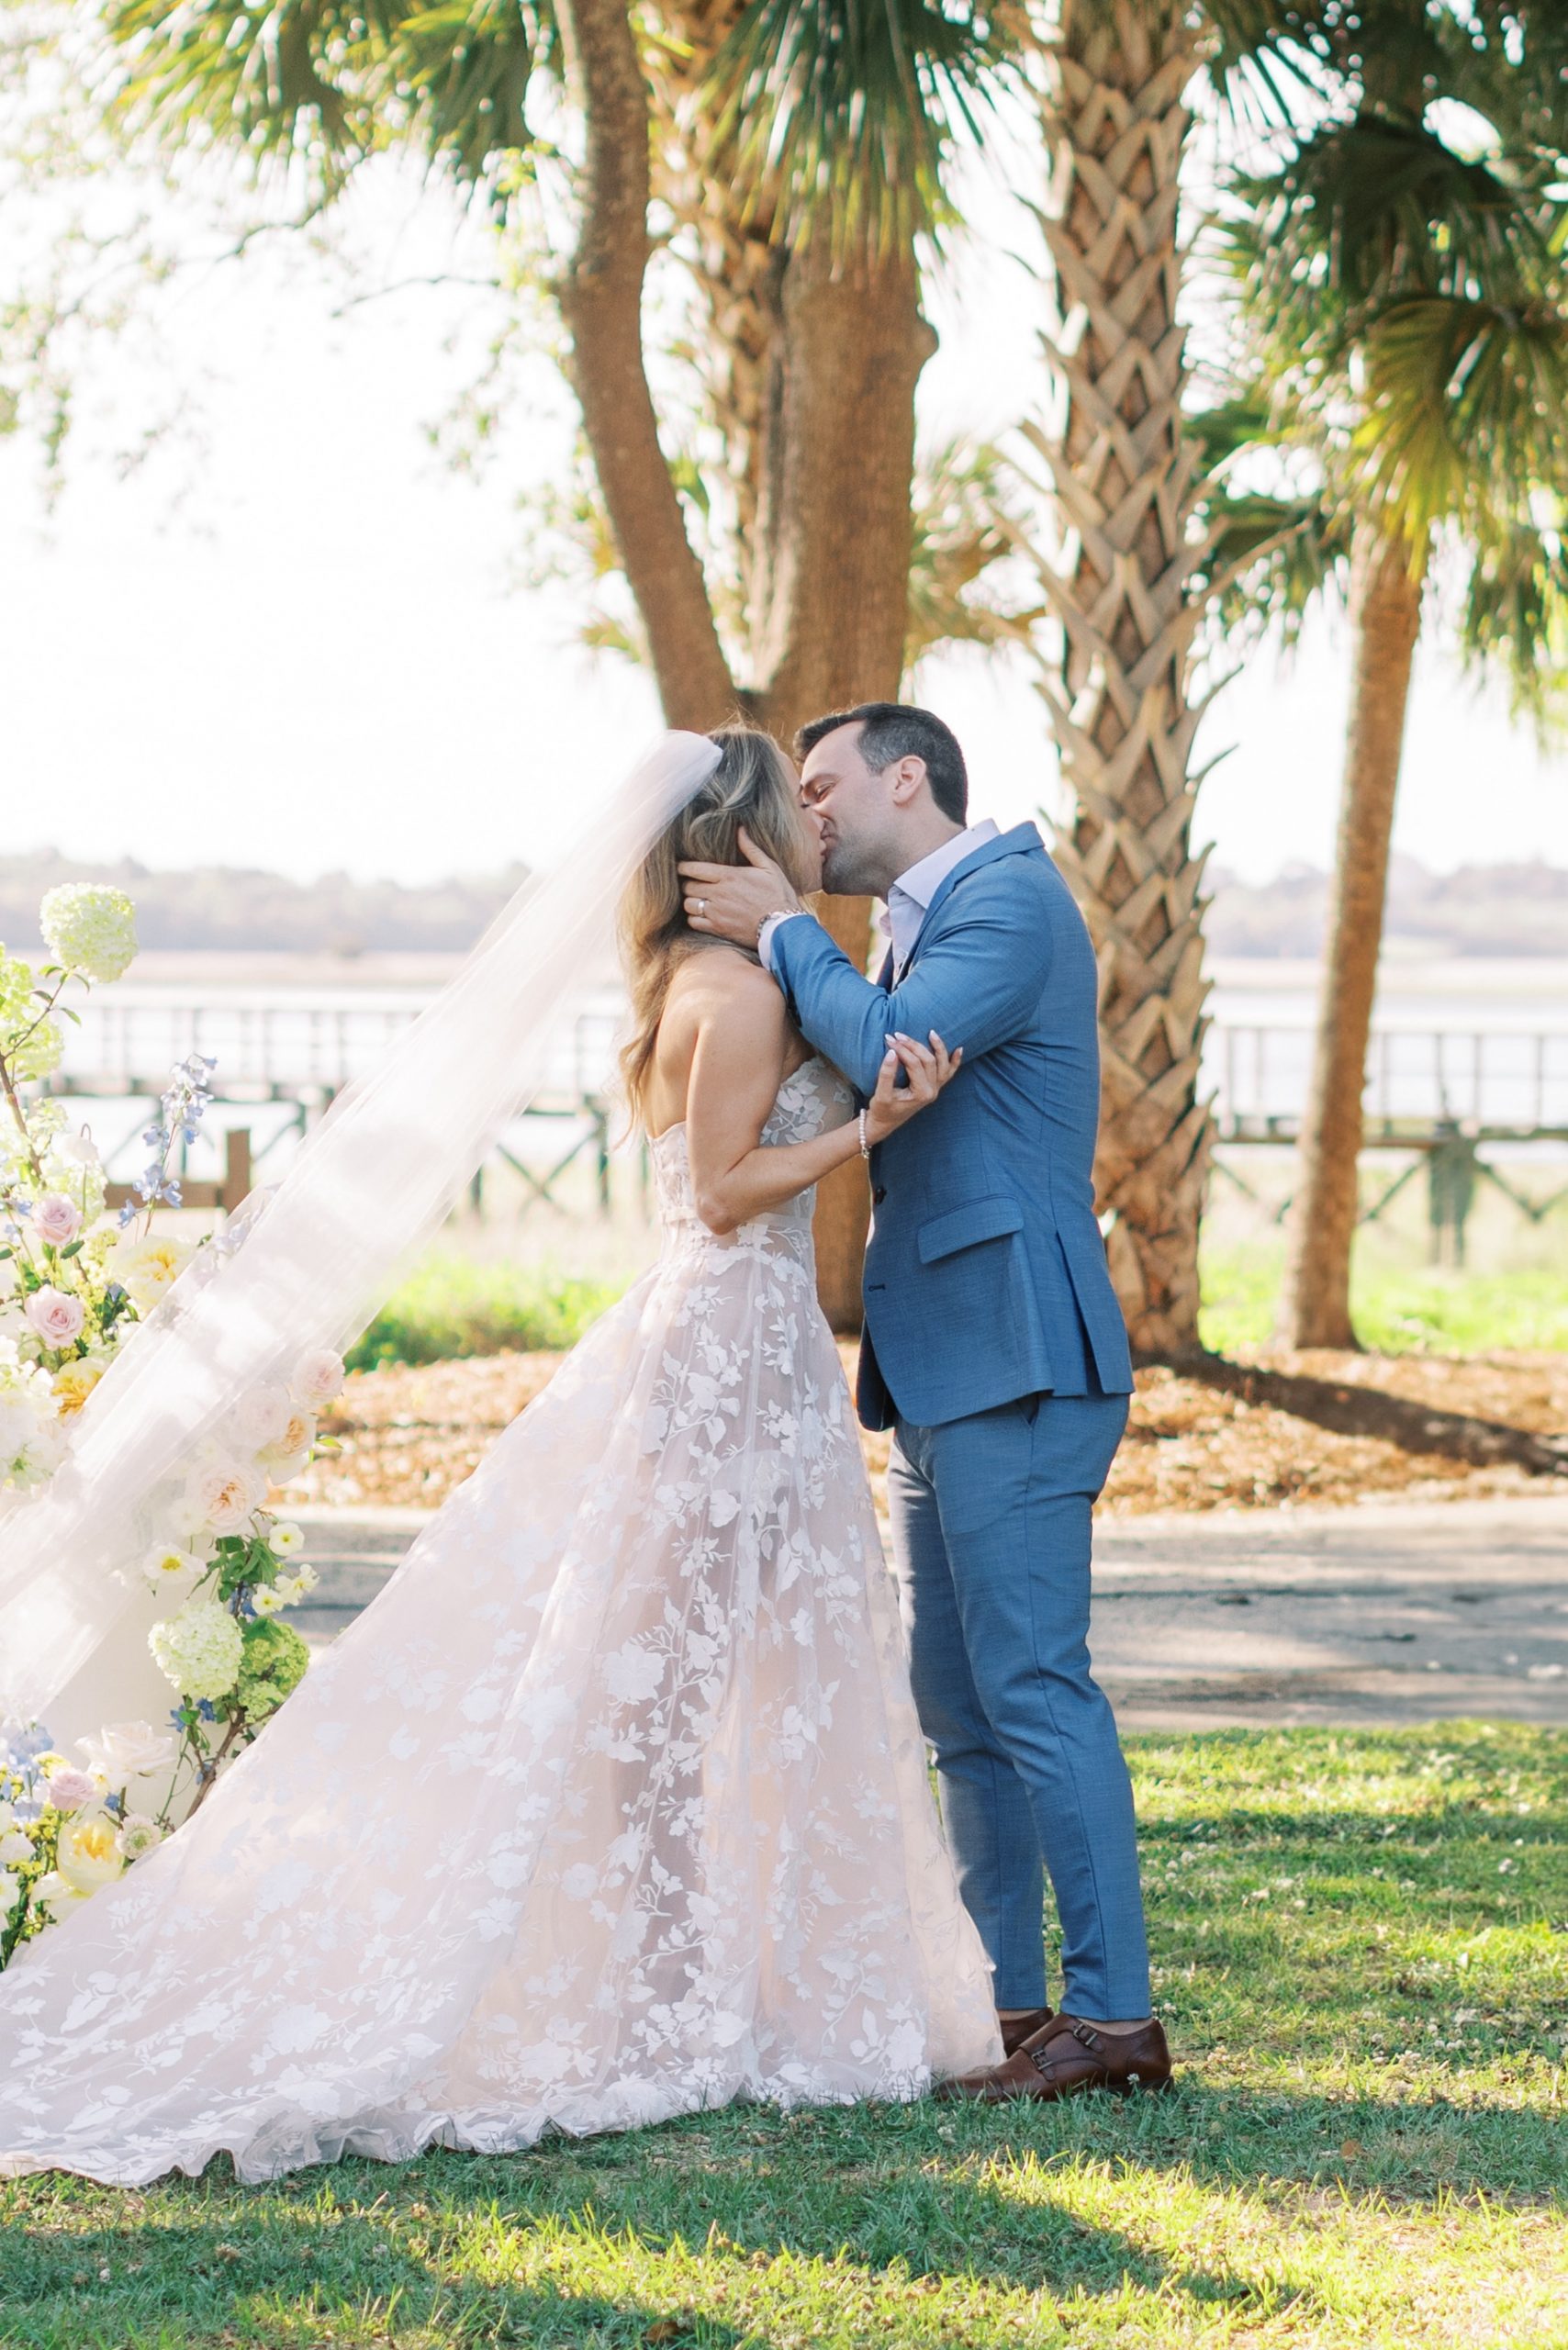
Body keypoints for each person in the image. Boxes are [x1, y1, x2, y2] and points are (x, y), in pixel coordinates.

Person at [0, 725, 1000, 2188]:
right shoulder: (733, 991)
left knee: (748, 1666)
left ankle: (726, 1974)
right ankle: (670, 1991)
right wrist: (865, 1129)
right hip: (726, 1347)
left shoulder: (700, 982)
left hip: (751, 1350)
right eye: (792, 807)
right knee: (669, 1678)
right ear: (742, 843)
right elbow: (723, 1197)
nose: (811, 818)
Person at [680, 701, 1172, 2101]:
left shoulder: (1006, 903)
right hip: (940, 1365)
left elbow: (896, 1054)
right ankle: (1008, 2008)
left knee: (1034, 1686)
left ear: (912, 779)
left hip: (1017, 1354)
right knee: (962, 1709)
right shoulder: (911, 915)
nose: (810, 815)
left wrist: (783, 927)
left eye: (826, 787)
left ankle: (1117, 2017)